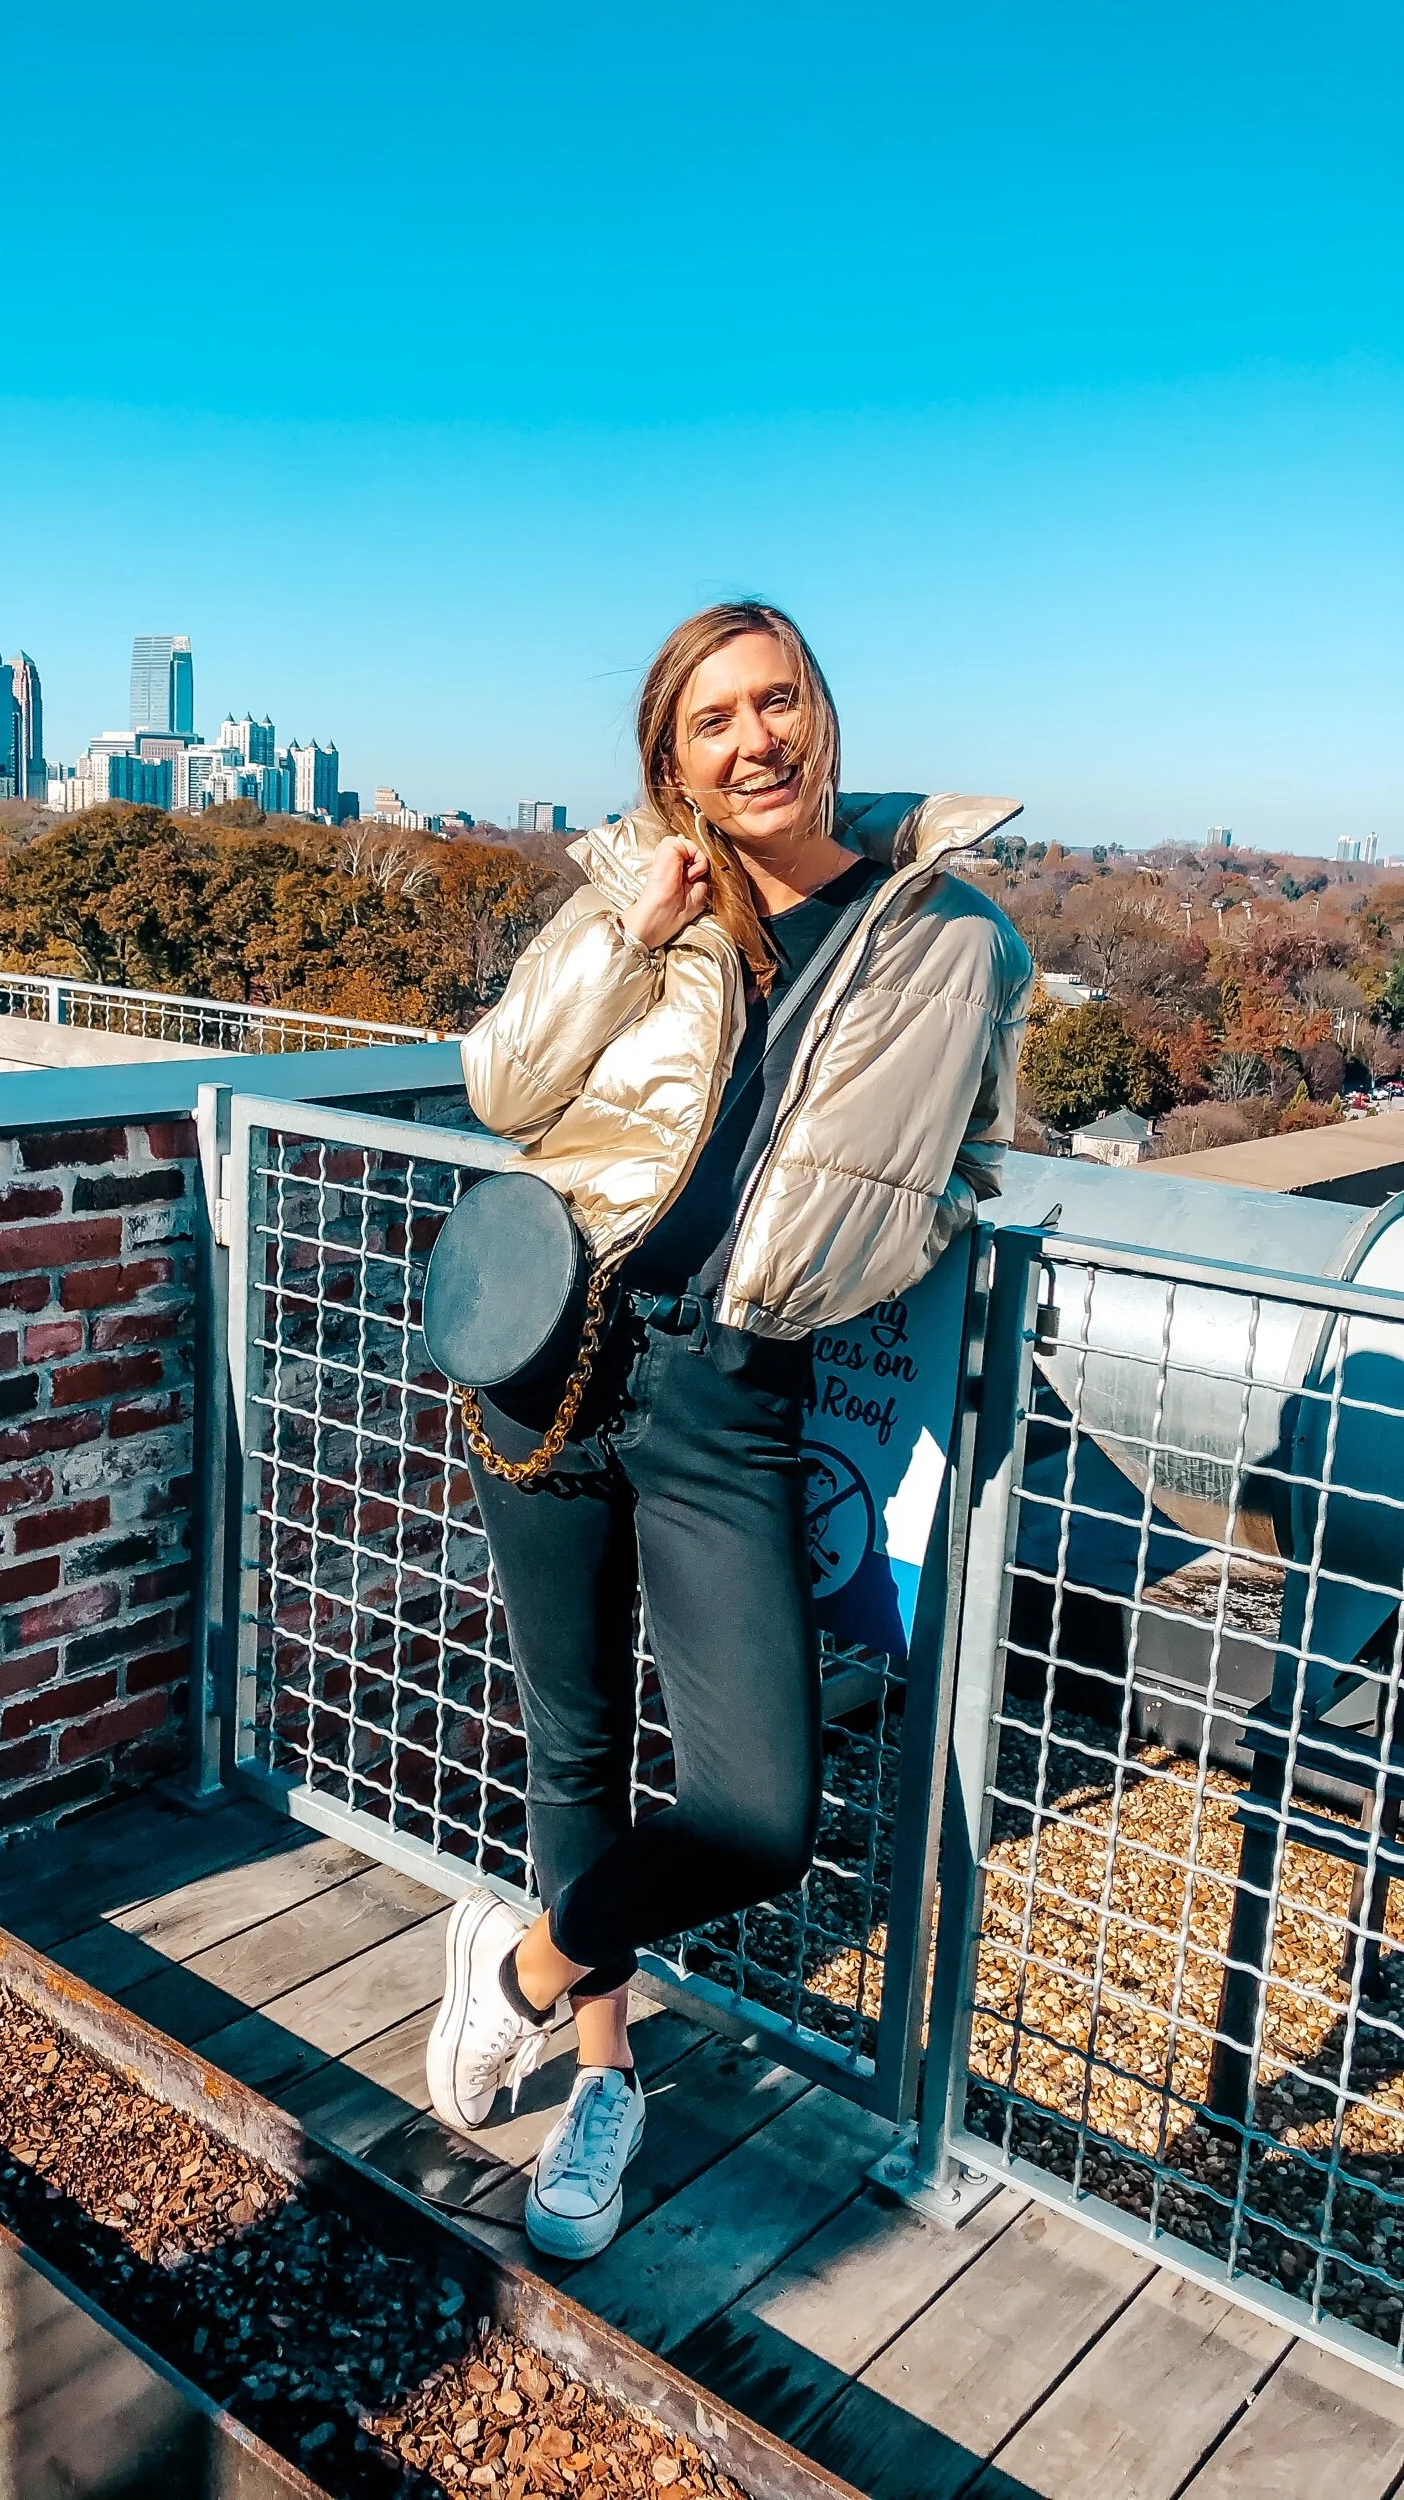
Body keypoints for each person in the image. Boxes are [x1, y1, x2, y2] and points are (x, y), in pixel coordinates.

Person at [424, 599, 1032, 2261]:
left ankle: (518, 1971)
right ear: (670, 758)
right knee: (574, 1745)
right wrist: (634, 931)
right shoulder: (639, 887)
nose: (751, 741)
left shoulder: (953, 937)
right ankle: (598, 2080)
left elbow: (966, 1163)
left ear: (819, 714)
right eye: (712, 720)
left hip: (732, 1390)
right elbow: (501, 1088)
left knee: (757, 1814)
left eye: (775, 703)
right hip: (555, 1351)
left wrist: (869, 1251)